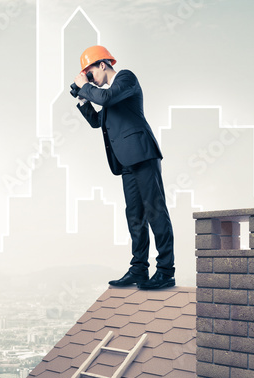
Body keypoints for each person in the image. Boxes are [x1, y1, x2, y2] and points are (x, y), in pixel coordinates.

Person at [70, 45, 175, 290]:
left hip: (143, 154)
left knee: (155, 211)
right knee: (134, 216)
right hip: (126, 161)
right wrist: (83, 97)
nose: (90, 78)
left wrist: (85, 86)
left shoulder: (126, 78)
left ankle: (166, 271)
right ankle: (139, 269)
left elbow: (105, 97)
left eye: (90, 72)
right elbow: (97, 121)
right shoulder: (110, 95)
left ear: (102, 65)